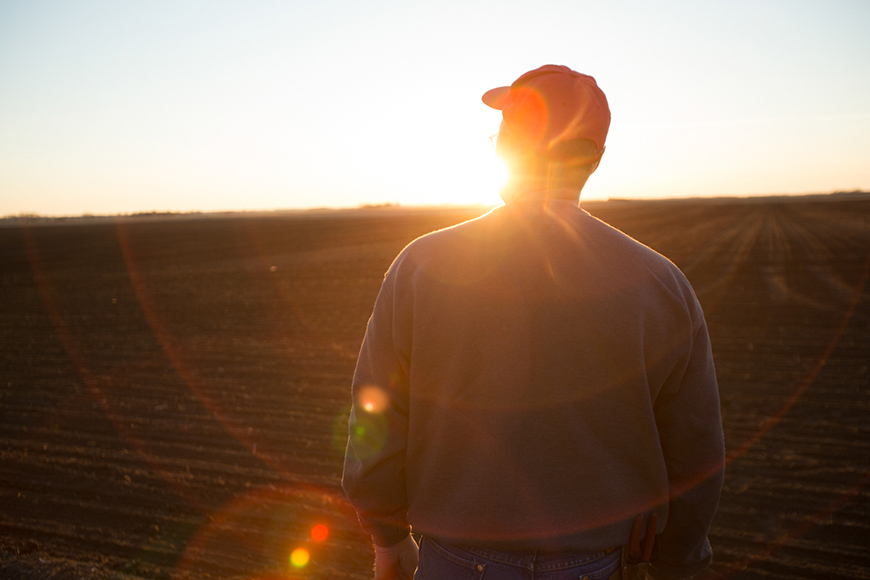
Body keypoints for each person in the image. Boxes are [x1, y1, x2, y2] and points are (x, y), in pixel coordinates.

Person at [343, 64, 725, 580]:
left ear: (504, 149)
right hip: (600, 561)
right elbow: (695, 447)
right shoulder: (662, 283)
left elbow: (377, 412)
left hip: (454, 560)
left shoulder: (421, 266)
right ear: (595, 161)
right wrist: (680, 559)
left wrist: (387, 538)